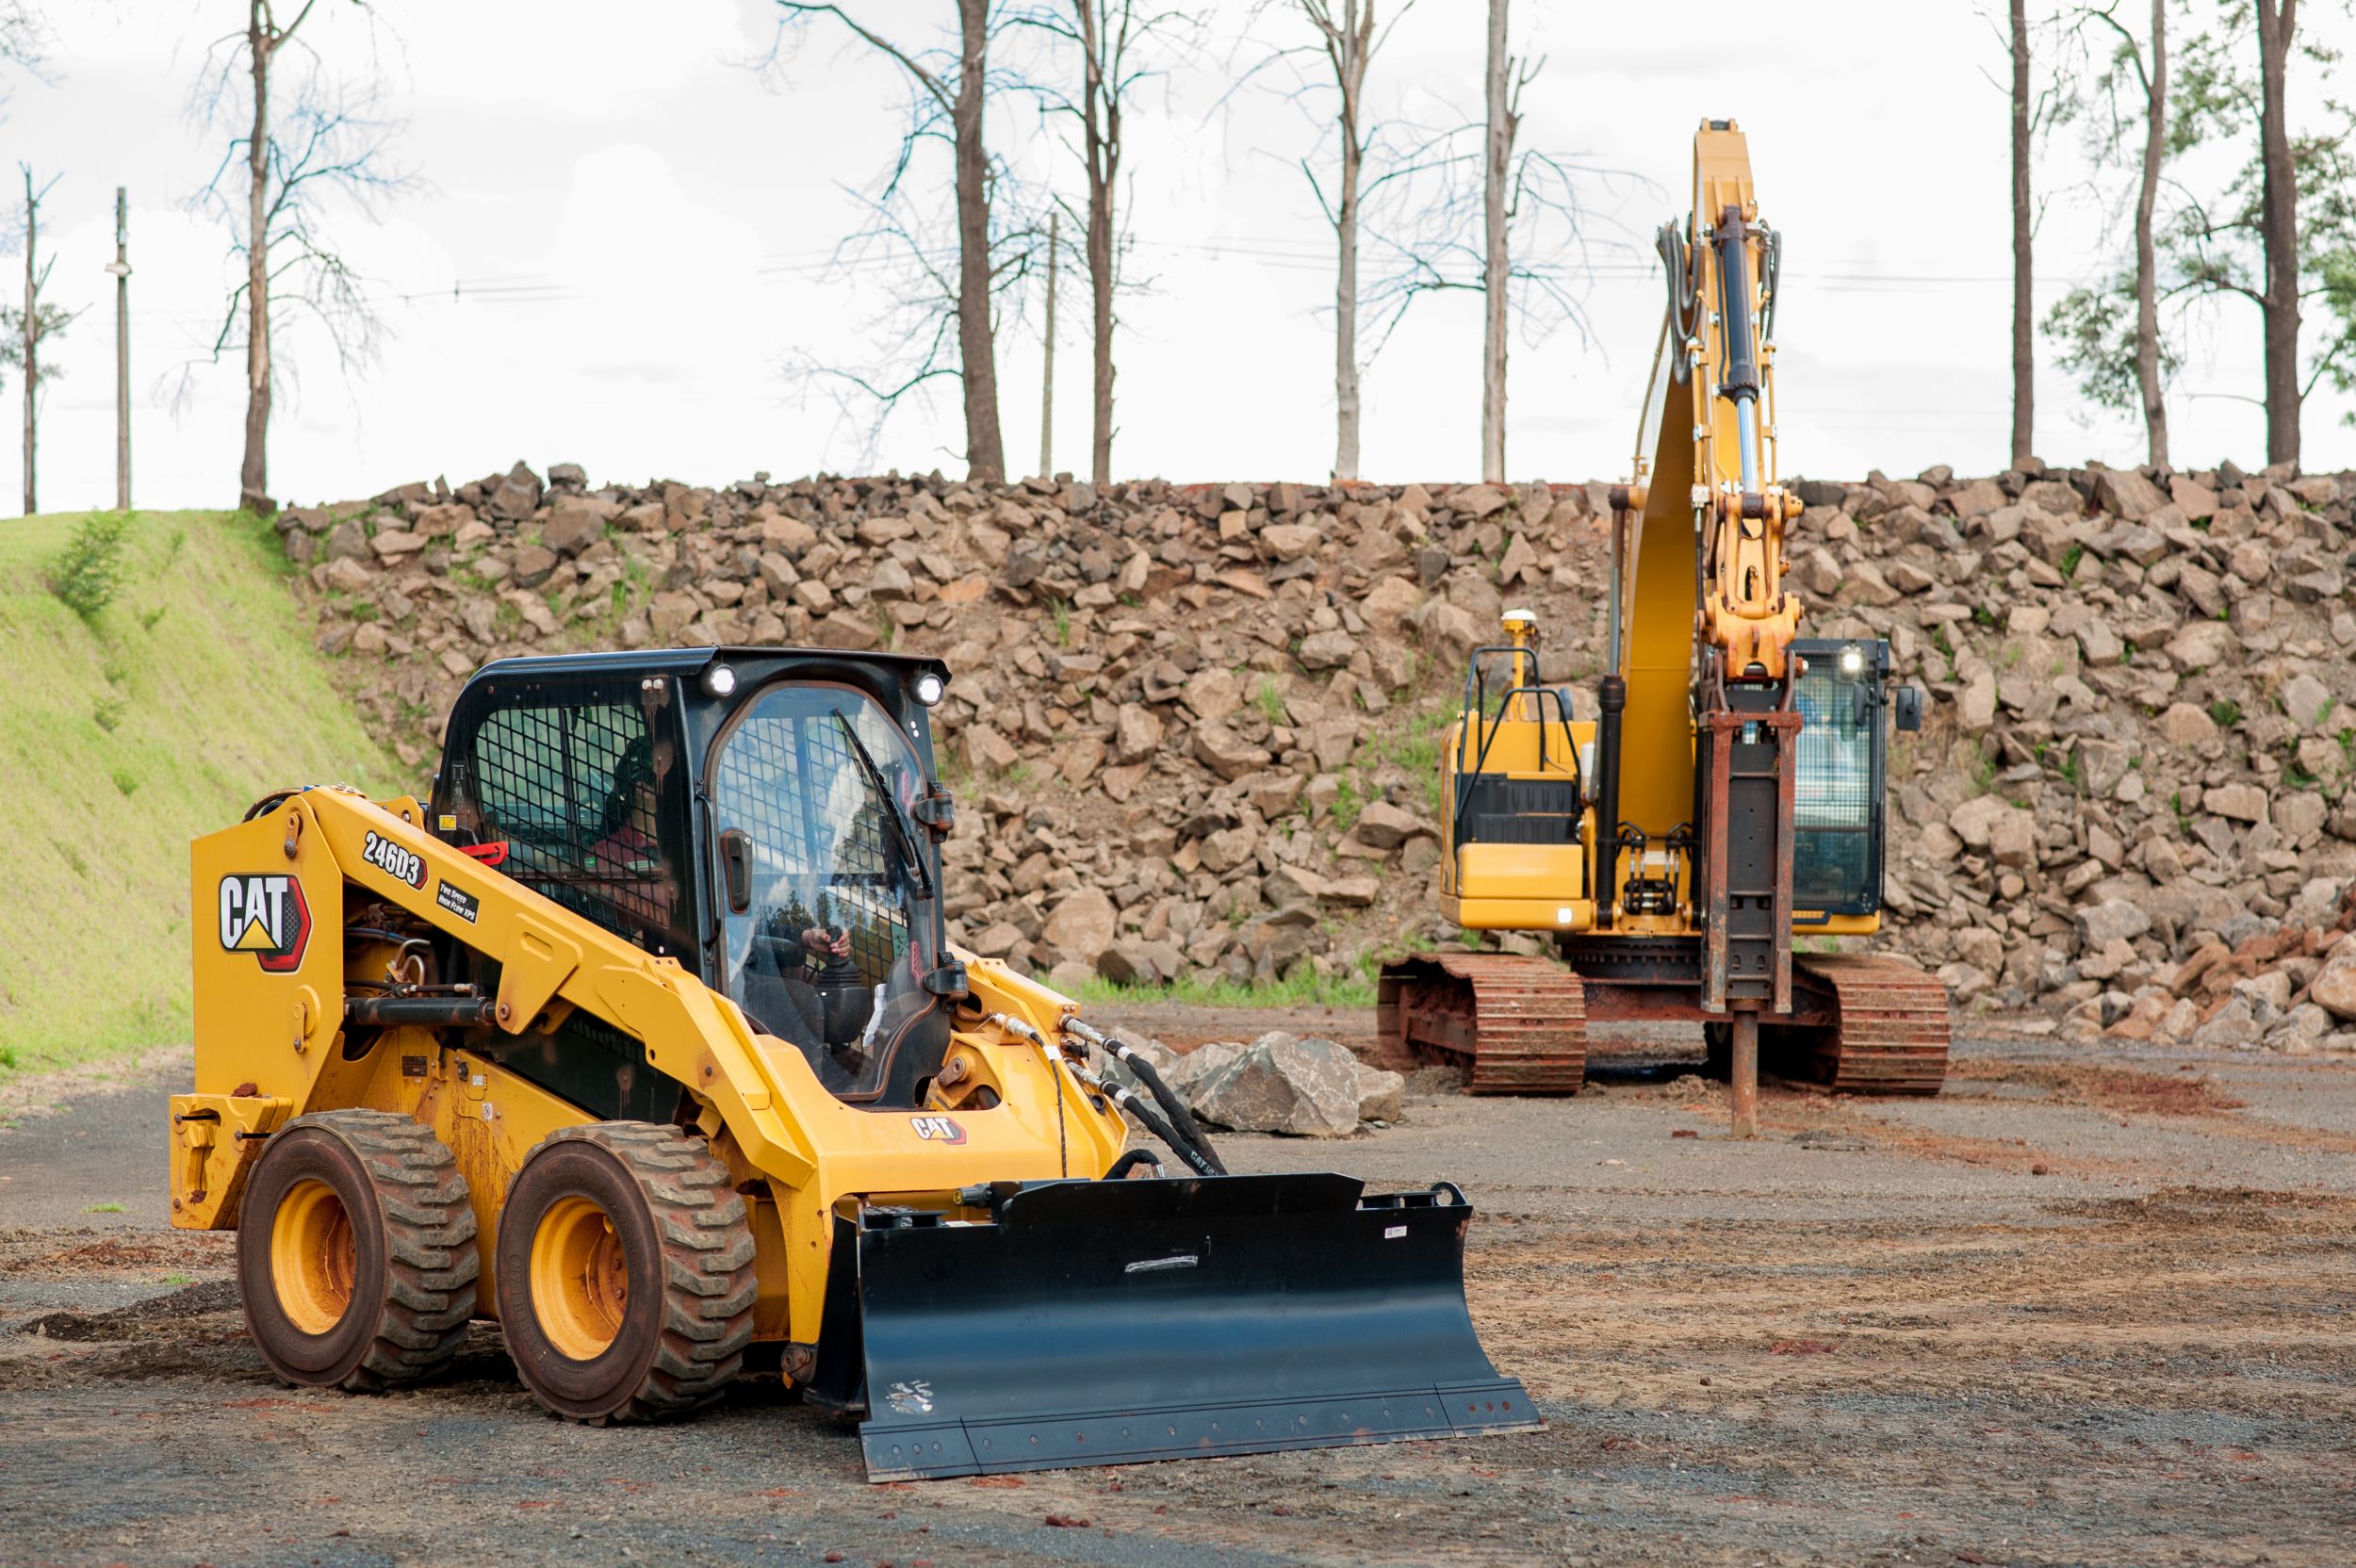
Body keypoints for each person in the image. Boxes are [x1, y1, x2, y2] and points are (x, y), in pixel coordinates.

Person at [587, 734, 677, 929]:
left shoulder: (687, 849)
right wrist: (641, 937)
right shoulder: (603, 856)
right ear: (643, 789)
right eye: (673, 783)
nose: (680, 793)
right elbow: (602, 927)